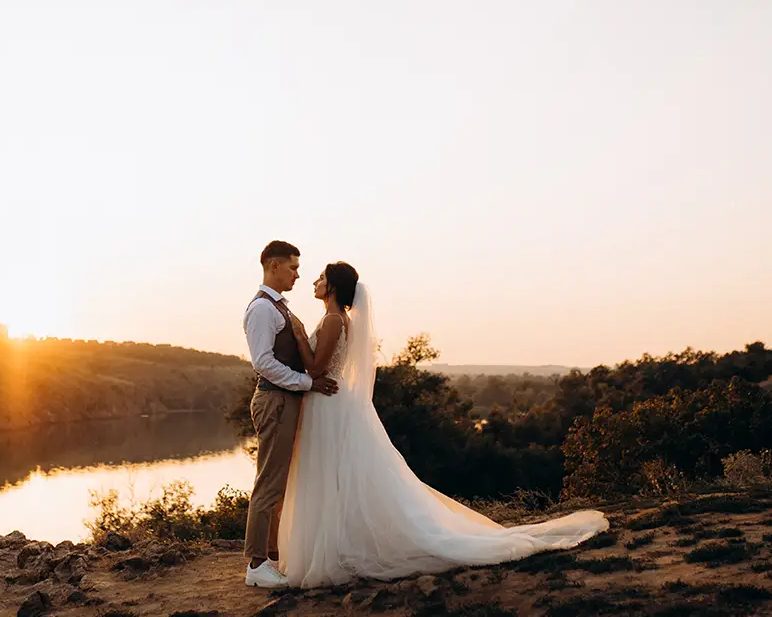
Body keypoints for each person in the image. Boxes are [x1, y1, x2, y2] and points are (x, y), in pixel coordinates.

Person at [277, 261, 609, 588]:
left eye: (321, 277)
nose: (314, 281)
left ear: (332, 286)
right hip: (329, 402)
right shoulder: (338, 318)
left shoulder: (334, 319)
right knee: (333, 476)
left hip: (328, 402)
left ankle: (331, 551)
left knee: (326, 474)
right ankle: (336, 546)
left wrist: (299, 334)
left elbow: (317, 369)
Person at [240, 240, 339, 588]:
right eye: (293, 267)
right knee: (268, 483)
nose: (299, 274)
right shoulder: (263, 310)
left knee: (279, 483)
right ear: (274, 265)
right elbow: (263, 362)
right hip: (275, 401)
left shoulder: (279, 306)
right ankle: (256, 565)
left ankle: (272, 556)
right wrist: (306, 382)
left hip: (286, 400)